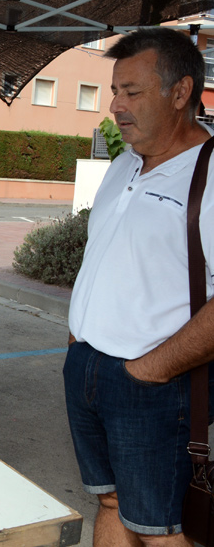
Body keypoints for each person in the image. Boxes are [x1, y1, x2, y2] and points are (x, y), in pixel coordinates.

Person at [65, 27, 214, 546]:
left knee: (159, 528)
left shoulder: (211, 173)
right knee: (110, 501)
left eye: (132, 92)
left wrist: (150, 371)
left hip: (153, 382)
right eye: (114, 91)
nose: (116, 106)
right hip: (87, 365)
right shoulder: (123, 163)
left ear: (180, 92)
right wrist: (77, 341)